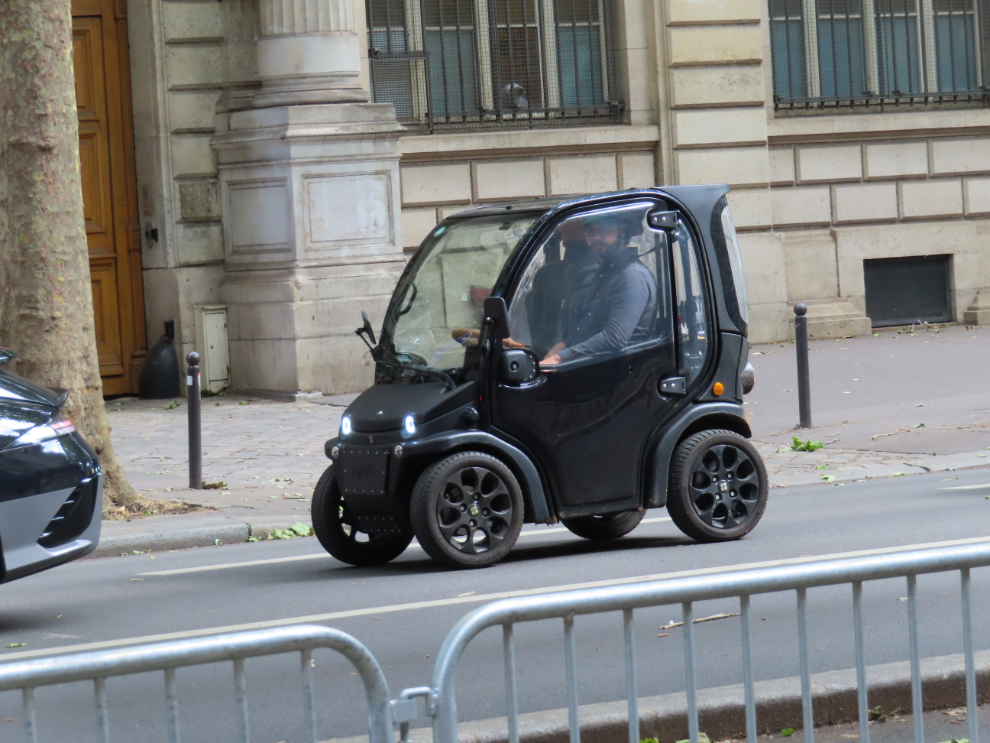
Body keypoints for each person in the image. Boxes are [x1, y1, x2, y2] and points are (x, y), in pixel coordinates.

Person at [541, 211, 656, 366]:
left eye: (604, 231)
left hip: (619, 373)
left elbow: (614, 338)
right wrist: (558, 349)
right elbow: (585, 327)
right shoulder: (605, 271)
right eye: (591, 231)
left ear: (622, 232)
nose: (596, 238)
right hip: (591, 367)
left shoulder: (632, 276)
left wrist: (559, 359)